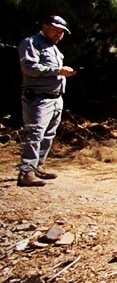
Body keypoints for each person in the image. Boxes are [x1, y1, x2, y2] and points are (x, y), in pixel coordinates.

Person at [17, 15, 75, 187]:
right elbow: (29, 68)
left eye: (62, 32)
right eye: (56, 30)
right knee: (35, 134)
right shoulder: (31, 42)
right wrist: (58, 70)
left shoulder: (53, 47)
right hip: (38, 98)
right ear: (45, 26)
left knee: (48, 135)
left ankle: (37, 167)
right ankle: (26, 173)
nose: (59, 34)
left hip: (56, 98)